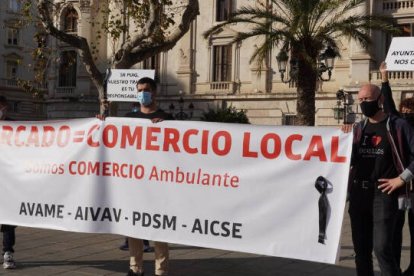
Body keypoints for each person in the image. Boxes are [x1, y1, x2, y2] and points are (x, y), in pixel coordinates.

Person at [98, 77, 172, 276]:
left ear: (155, 92)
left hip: (158, 183)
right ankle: (135, 268)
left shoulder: (167, 118)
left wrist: (165, 128)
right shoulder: (129, 119)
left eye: (146, 89)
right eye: (139, 90)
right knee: (134, 226)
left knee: (160, 228)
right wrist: (102, 123)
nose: (143, 93)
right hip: (135, 183)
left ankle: (161, 270)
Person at [344, 83, 414, 276]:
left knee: (382, 248)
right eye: (360, 99)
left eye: (367, 99)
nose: (363, 103)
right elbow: (347, 160)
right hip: (359, 194)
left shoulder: (398, 125)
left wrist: (402, 179)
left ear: (380, 99)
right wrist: (342, 139)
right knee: (361, 252)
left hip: (383, 195)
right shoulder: (358, 129)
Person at [380, 62, 414, 276]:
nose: (407, 112)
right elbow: (389, 106)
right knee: (394, 229)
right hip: (401, 187)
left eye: (410, 110)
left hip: (410, 181)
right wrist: (384, 78)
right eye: (405, 110)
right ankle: (395, 268)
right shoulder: (398, 122)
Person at [0, 96, 17, 269]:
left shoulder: (15, 127)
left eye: (3, 107)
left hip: (8, 181)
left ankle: (7, 253)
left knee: (8, 219)